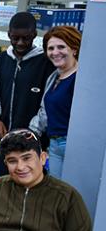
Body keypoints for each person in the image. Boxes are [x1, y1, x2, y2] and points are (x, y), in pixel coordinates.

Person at [0, 11, 54, 143]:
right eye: (15, 38)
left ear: (34, 35)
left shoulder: (46, 63)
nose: (20, 43)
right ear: (9, 35)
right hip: (3, 136)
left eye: (26, 38)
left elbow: (48, 102)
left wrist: (32, 133)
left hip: (32, 139)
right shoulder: (1, 60)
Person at [30, 26, 81, 178]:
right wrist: (30, 133)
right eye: (50, 48)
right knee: (57, 192)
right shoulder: (54, 78)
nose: (55, 52)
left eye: (61, 47)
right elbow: (45, 112)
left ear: (74, 49)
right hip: (54, 144)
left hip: (73, 145)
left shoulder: (81, 78)